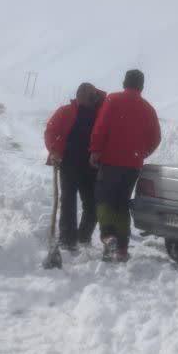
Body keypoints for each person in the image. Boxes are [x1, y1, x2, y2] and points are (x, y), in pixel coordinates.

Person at [89, 69, 160, 262]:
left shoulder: (113, 100)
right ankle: (121, 248)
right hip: (133, 165)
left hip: (111, 161)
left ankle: (108, 235)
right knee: (122, 204)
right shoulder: (148, 108)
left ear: (124, 83)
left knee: (104, 200)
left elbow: (101, 127)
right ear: (141, 86)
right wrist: (141, 153)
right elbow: (155, 138)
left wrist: (95, 150)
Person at [45, 83, 106, 251]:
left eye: (91, 95)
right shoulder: (65, 111)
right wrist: (54, 151)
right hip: (69, 163)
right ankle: (67, 239)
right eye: (85, 95)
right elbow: (50, 131)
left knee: (92, 204)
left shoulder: (101, 112)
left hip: (91, 165)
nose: (88, 99)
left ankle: (83, 237)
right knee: (68, 201)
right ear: (78, 96)